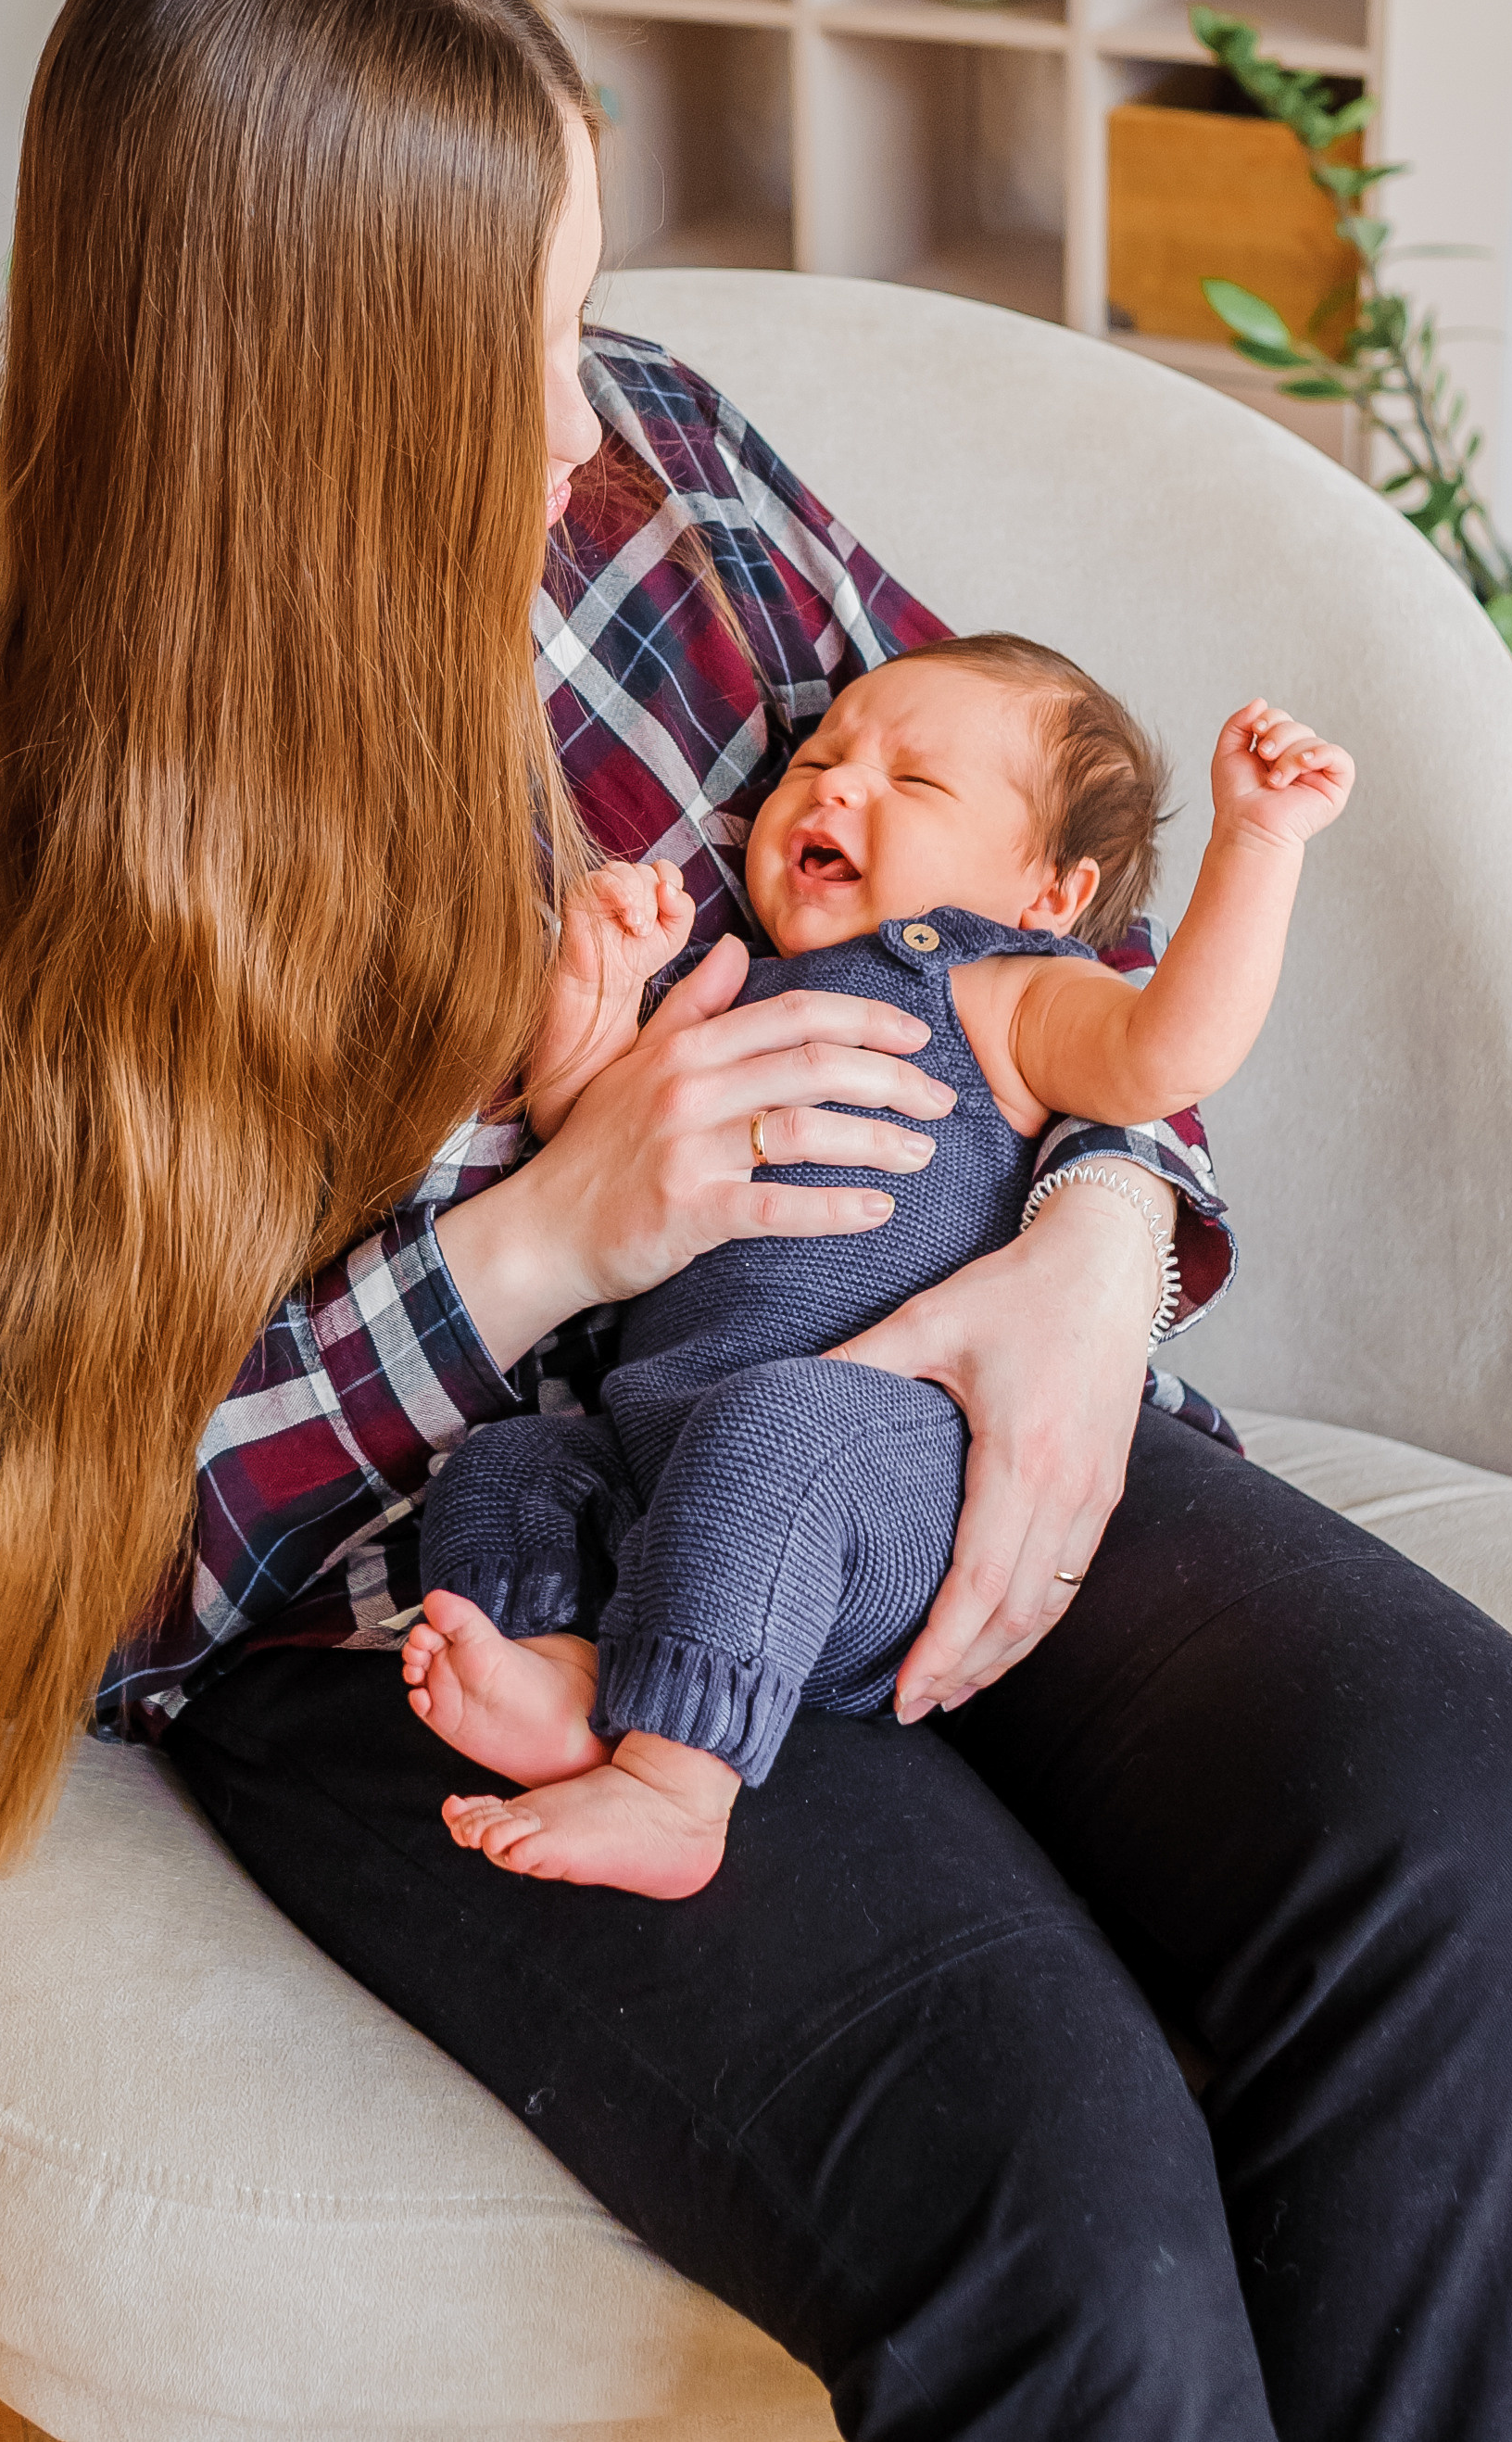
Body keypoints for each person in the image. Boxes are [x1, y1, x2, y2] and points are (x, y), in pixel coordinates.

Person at [0, 0, 1512, 2442]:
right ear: (303, 392)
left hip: (910, 1392)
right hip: (463, 1580)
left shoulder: (659, 475)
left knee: (1501, 1839)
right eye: (519, 348)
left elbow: (1043, 885)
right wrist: (548, 1236)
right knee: (1061, 2198)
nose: (589, 410)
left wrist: (1098, 1239)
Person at [406, 645, 1354, 1897]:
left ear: (1052, 892)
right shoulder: (731, 980)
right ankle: (566, 1673)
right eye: (819, 758)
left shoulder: (1005, 991)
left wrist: (1260, 844)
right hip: (659, 1452)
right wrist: (598, 1005)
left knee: (774, 1429)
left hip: (883, 1469)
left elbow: (1163, 1053)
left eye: (913, 778)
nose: (835, 786)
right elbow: (597, 1148)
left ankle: (674, 1788)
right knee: (504, 1467)